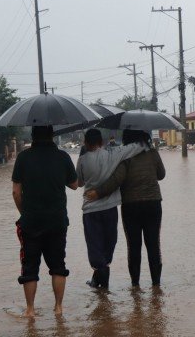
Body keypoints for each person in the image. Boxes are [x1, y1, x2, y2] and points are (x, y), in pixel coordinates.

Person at [12, 125, 78, 317]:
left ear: (33, 136)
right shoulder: (63, 157)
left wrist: (25, 213)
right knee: (58, 265)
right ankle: (58, 308)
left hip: (30, 222)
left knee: (30, 267)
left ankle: (30, 310)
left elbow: (16, 192)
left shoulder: (23, 157)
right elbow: (74, 185)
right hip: (57, 221)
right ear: (52, 136)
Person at [86, 129, 166, 288]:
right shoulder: (153, 153)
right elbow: (161, 174)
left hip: (131, 206)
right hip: (153, 204)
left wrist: (97, 192)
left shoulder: (125, 157)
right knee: (153, 244)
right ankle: (156, 285)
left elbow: (116, 180)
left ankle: (135, 285)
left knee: (134, 246)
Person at [76, 128, 146, 290]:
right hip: (110, 209)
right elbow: (136, 147)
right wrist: (144, 140)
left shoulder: (83, 160)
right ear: (102, 142)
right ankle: (101, 282)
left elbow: (78, 183)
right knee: (109, 243)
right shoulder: (113, 154)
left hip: (90, 211)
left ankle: (102, 283)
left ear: (86, 143)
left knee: (95, 245)